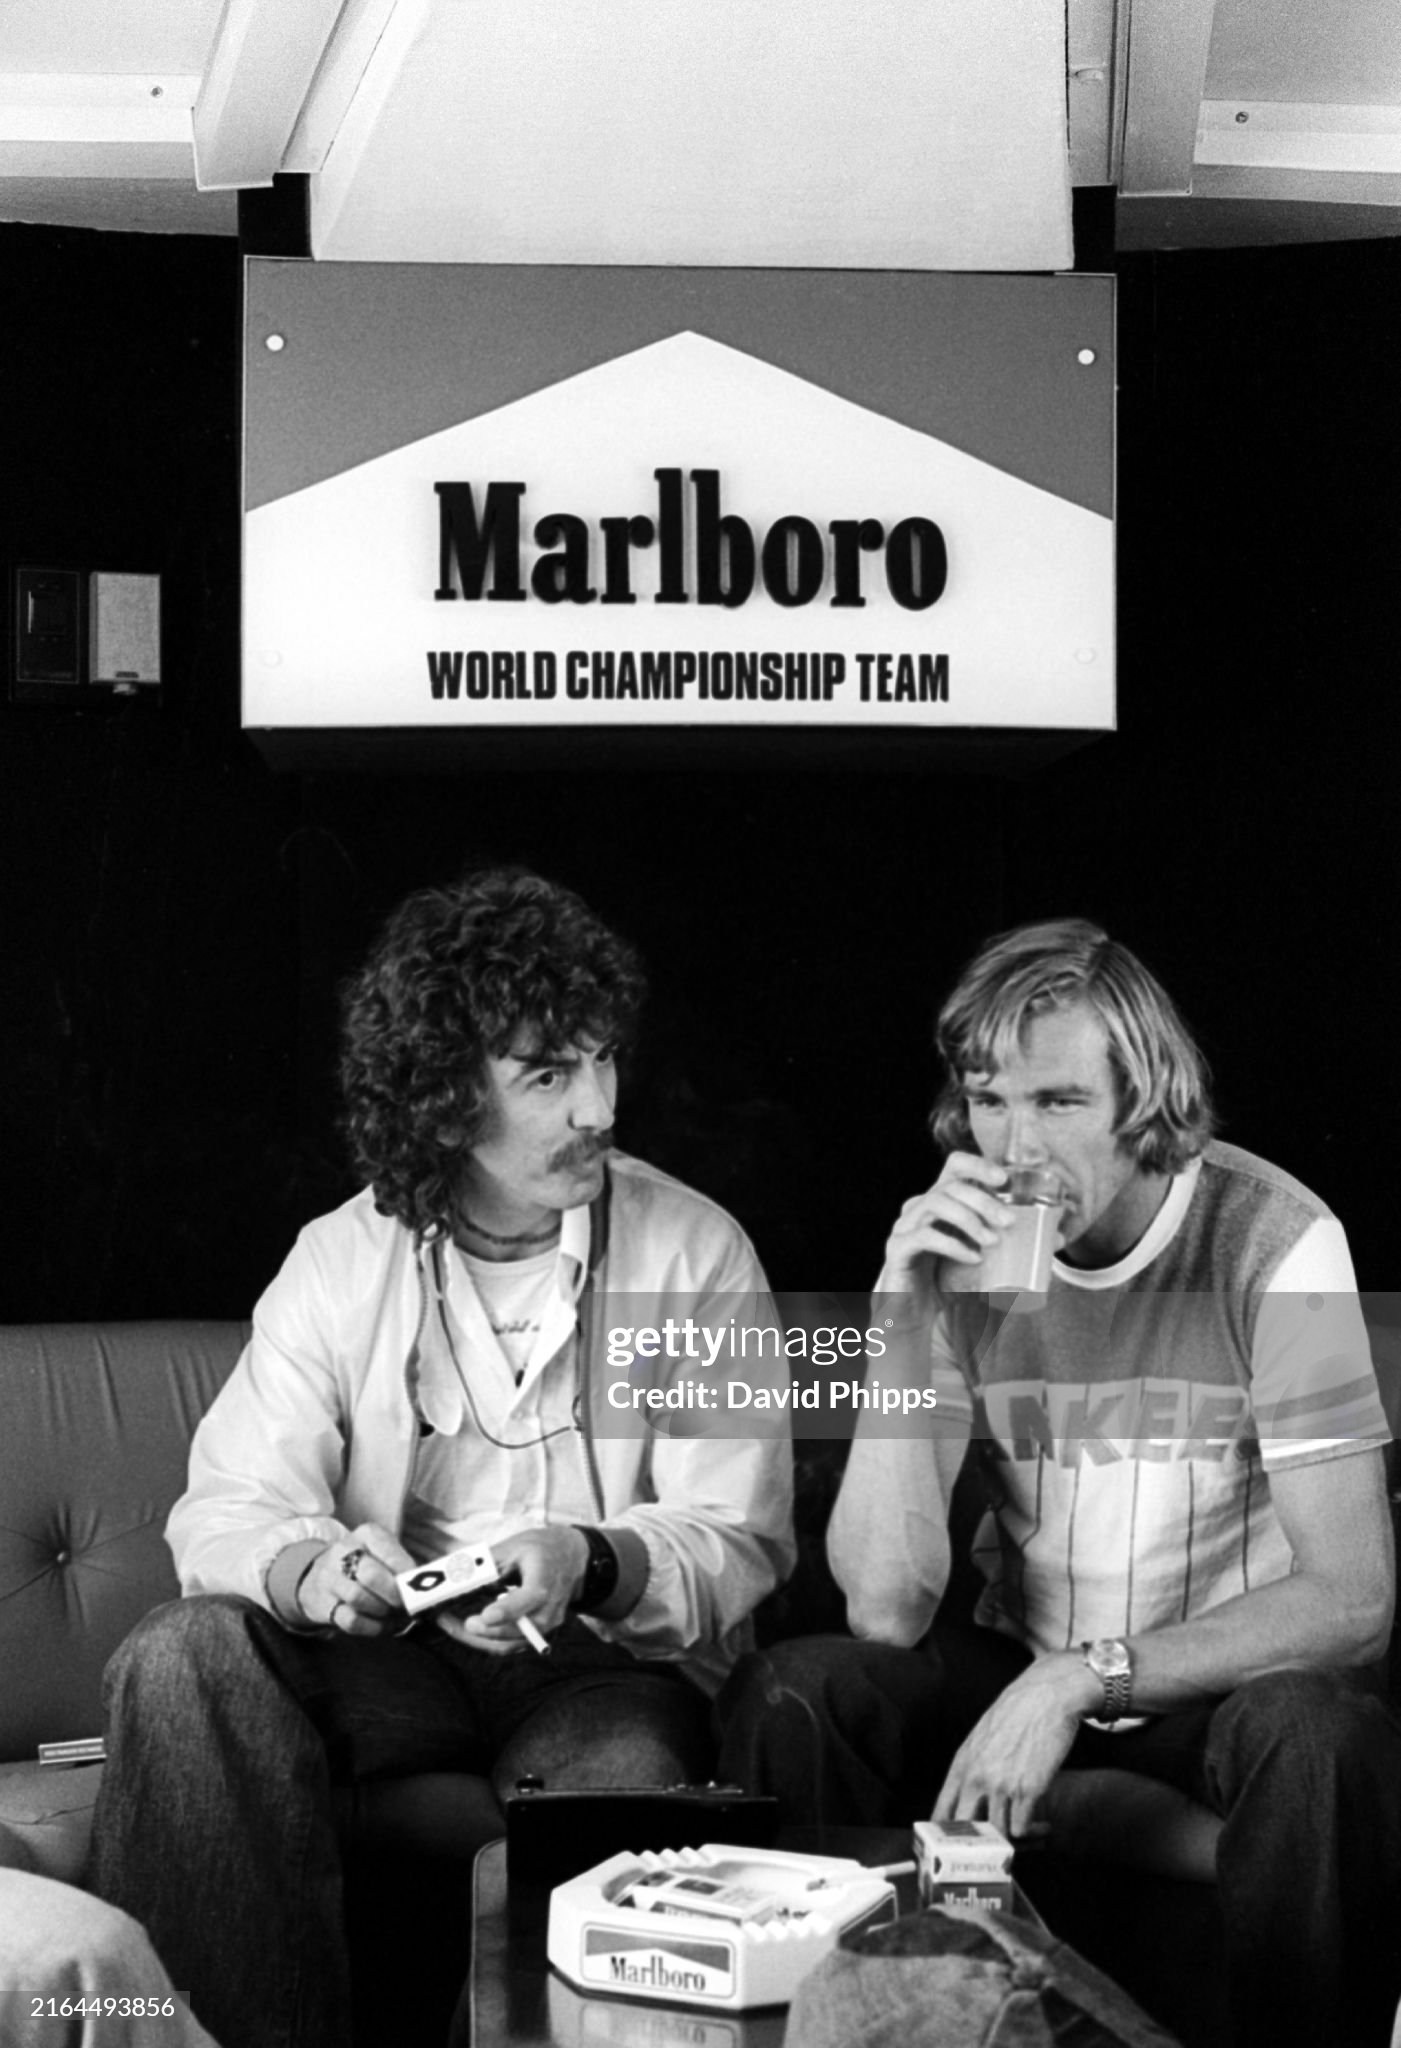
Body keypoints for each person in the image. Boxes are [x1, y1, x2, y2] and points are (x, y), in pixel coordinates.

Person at [90, 866, 793, 2048]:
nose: (601, 1106)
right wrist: (312, 1573)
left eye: (604, 1057)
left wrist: (590, 1553)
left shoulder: (697, 1250)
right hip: (387, 1660)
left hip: (597, 1661)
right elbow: (228, 1506)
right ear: (444, 1098)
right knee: (181, 1652)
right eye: (549, 1073)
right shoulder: (339, 1256)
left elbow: (738, 1537)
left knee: (618, 1782)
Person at [717, 918, 1401, 2048]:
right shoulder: (965, 1245)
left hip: (1206, 1686)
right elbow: (885, 1605)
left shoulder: (1275, 1240)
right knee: (803, 1690)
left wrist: (1079, 1680)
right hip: (1017, 1653)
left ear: (1147, 1100)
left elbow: (1351, 1595)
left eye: (1058, 1101)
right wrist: (907, 1315)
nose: (1014, 1144)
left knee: (1320, 1733)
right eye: (990, 1100)